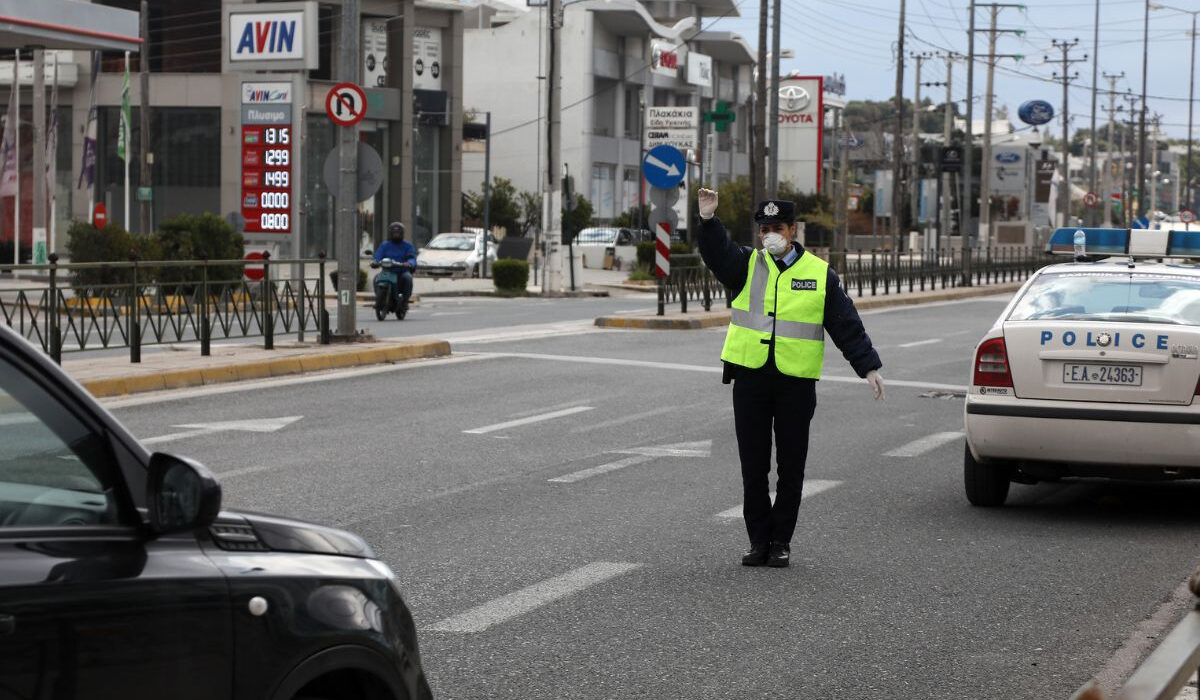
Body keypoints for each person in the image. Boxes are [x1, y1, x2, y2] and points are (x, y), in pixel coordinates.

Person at [696, 188, 884, 568]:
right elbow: (717, 254)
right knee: (753, 466)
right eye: (764, 228)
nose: (770, 234)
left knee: (791, 467)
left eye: (777, 227)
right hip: (750, 377)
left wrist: (868, 365)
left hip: (795, 383)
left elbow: (844, 322)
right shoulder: (746, 265)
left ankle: (781, 541)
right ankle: (757, 541)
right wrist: (708, 220)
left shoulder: (818, 273)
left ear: (792, 229)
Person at [372, 222, 417, 307]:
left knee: (408, 278)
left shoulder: (407, 245)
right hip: (387, 272)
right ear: (390, 233)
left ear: (402, 233)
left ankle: (404, 302)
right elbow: (378, 255)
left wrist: (409, 263)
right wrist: (375, 262)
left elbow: (412, 257)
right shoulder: (385, 245)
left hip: (401, 272)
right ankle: (379, 298)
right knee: (376, 278)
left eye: (398, 233)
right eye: (394, 233)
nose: (396, 235)